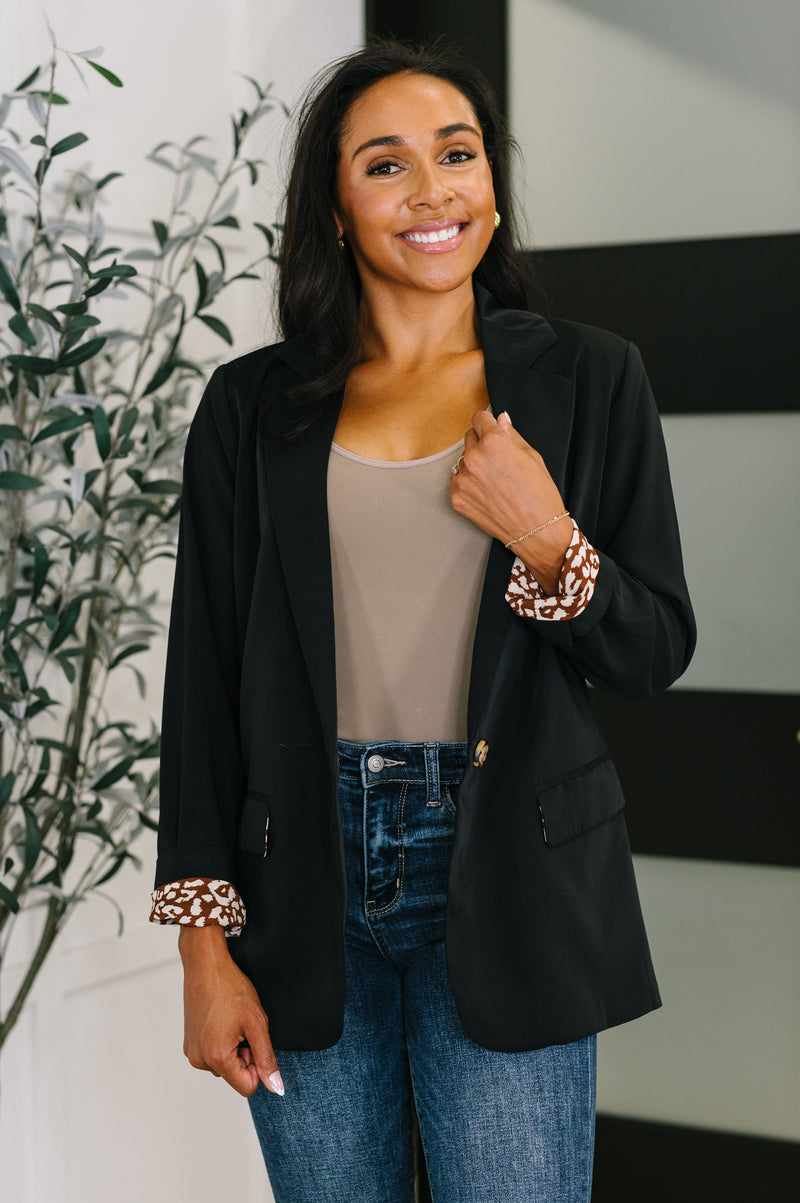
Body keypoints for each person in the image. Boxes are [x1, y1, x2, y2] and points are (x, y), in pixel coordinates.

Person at [150, 37, 696, 1203]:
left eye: (455, 154)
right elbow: (199, 686)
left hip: (509, 871)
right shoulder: (250, 408)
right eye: (384, 165)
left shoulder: (591, 379)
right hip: (297, 881)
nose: (431, 190)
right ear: (336, 211)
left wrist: (551, 540)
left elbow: (653, 647)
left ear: (491, 187)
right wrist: (202, 947)